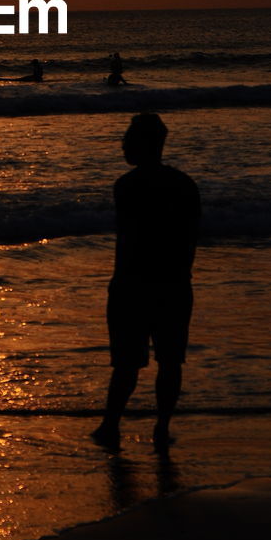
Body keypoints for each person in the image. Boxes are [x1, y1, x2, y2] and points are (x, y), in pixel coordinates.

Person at [92, 112, 200, 452]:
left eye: (128, 140)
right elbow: (190, 240)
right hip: (174, 282)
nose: (123, 145)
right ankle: (161, 427)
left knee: (126, 363)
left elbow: (129, 239)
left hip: (132, 284)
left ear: (143, 145)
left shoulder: (127, 185)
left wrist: (120, 283)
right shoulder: (184, 184)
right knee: (170, 360)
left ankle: (111, 425)